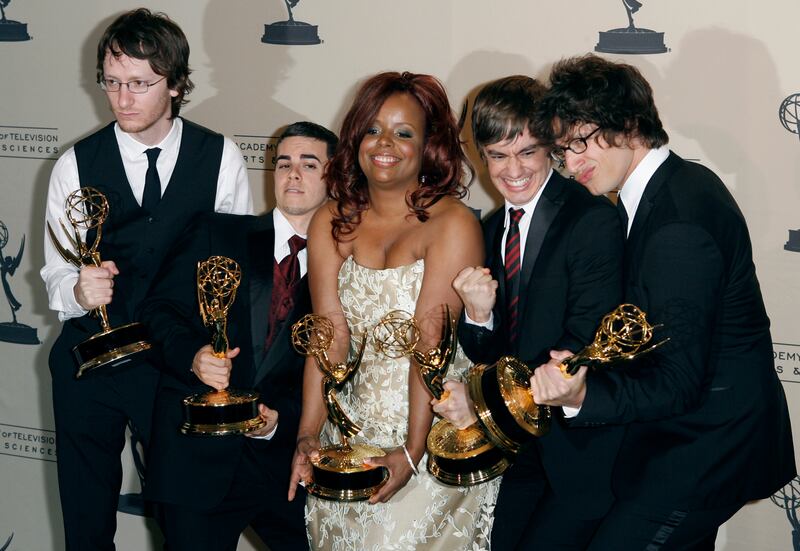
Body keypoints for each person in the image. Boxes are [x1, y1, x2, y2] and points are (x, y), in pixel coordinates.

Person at [531, 54, 796, 549]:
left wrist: (581, 397)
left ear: (629, 123)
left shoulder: (676, 221)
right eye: (563, 150)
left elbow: (677, 382)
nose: (571, 162)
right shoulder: (669, 187)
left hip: (707, 445)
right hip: (686, 438)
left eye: (581, 141)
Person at [40, 8, 252, 549]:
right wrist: (77, 290)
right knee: (86, 527)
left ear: (177, 85)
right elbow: (57, 271)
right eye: (112, 83)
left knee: (186, 527)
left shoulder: (220, 156)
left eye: (139, 84)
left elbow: (230, 275)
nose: (122, 99)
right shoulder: (75, 164)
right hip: (92, 365)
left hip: (177, 367)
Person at [288, 72, 500, 550]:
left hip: (432, 428)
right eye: (373, 129)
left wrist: (412, 449)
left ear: (429, 145)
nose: (385, 144)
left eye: (404, 132)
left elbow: (431, 349)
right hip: (348, 430)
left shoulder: (452, 224)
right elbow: (328, 335)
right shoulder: (331, 218)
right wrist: (307, 434)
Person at [431, 76, 625, 550]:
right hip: (513, 453)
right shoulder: (491, 226)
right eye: (497, 155)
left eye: (527, 152)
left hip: (576, 456)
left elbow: (582, 347)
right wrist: (479, 318)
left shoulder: (591, 218)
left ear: (552, 149)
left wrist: (483, 400)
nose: (512, 169)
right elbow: (490, 352)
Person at [138, 122, 337, 550]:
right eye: (283, 163)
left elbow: (338, 369)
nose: (293, 174)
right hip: (195, 465)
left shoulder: (346, 267)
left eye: (308, 164)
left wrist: (281, 421)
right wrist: (193, 356)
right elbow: (156, 312)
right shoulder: (217, 232)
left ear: (334, 177)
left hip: (284, 467)